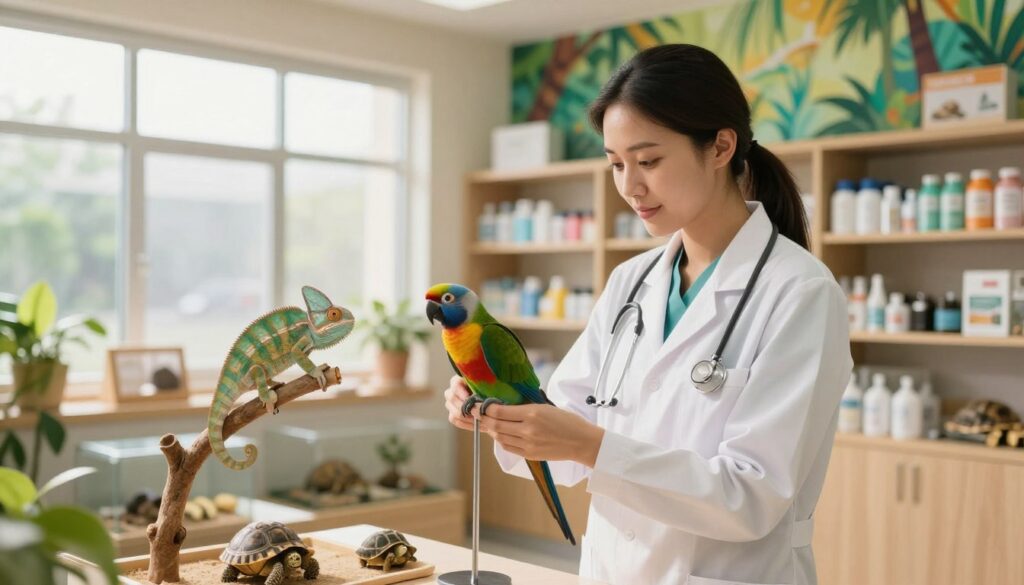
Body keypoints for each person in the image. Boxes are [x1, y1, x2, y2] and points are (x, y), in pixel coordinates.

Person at [444, 43, 852, 585]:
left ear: (721, 147)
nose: (630, 187)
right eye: (616, 164)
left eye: (649, 160)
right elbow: (565, 434)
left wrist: (588, 445)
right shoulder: (630, 283)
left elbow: (751, 497)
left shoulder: (800, 292)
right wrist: (502, 417)